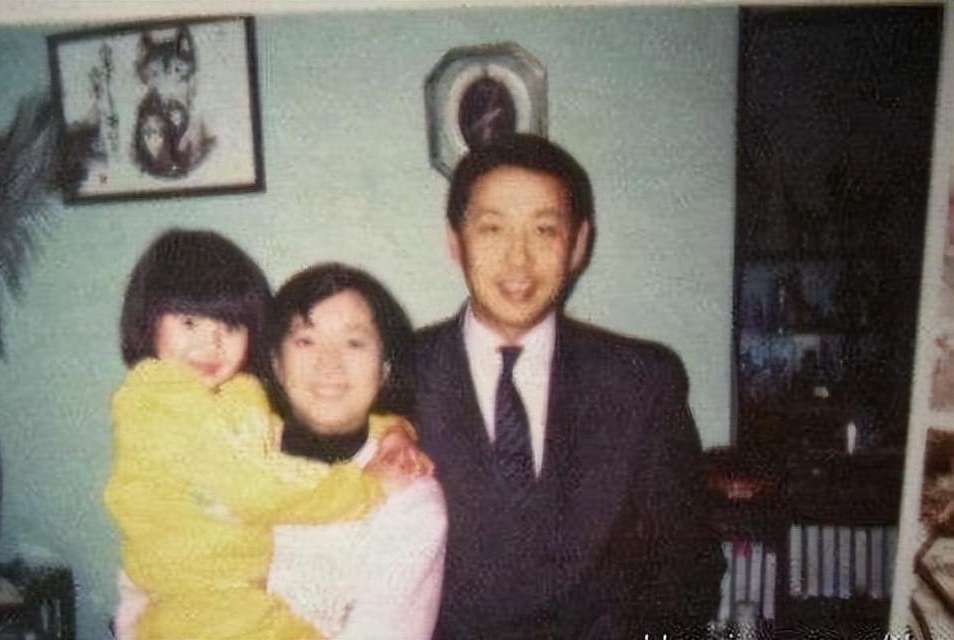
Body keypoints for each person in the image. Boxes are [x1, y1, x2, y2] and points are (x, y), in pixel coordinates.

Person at [413, 133, 726, 638]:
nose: (518, 260)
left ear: (578, 244)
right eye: (492, 229)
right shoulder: (396, 374)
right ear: (456, 242)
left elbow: (688, 568)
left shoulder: (642, 382)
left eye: (544, 230)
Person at [104, 229, 425, 640]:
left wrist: (392, 431)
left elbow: (279, 432)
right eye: (189, 322)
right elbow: (254, 486)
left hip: (229, 594)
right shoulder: (155, 400)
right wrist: (367, 487)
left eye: (230, 325)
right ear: (148, 321)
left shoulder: (233, 394)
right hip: (197, 599)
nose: (211, 344)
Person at [263, 262, 447, 640]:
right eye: (306, 340)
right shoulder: (230, 453)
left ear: (385, 369)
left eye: (354, 343)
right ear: (276, 364)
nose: (329, 363)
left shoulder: (408, 495)